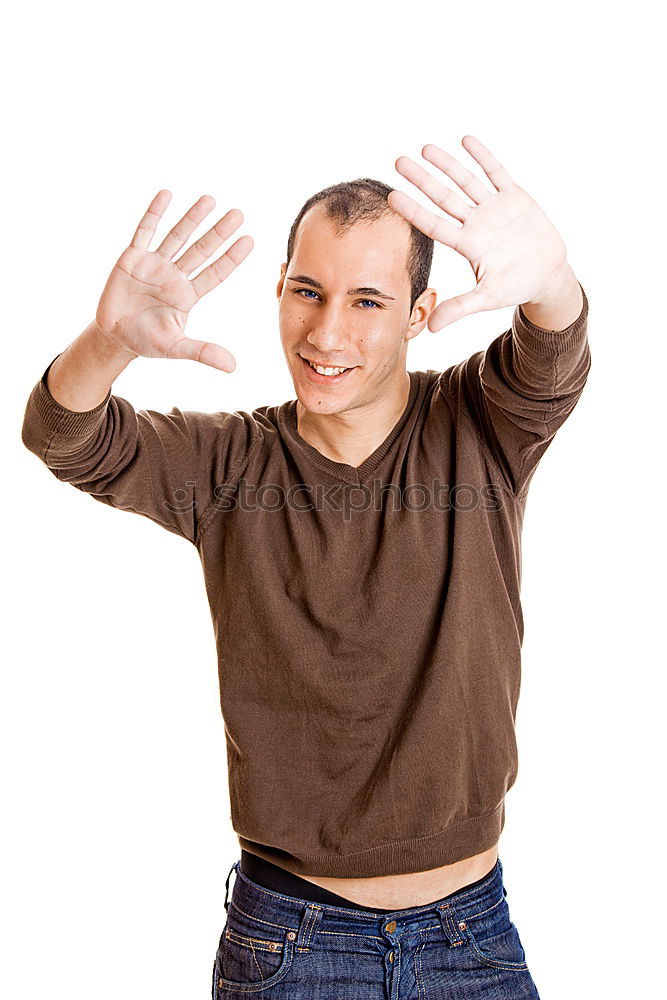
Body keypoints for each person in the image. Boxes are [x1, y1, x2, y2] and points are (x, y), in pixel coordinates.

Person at [21, 135, 590, 998]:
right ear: (278, 291)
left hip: (470, 934)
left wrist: (552, 280)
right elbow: (67, 436)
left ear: (418, 312)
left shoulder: (480, 424)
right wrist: (107, 340)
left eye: (367, 300)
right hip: (292, 942)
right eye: (306, 292)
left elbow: (550, 359)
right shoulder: (227, 464)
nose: (327, 332)